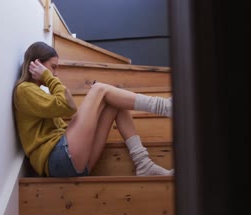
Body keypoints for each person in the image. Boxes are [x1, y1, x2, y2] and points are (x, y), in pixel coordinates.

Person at [13, 41, 174, 177]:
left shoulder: (37, 93)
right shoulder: (24, 90)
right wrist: (47, 77)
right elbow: (68, 107)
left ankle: (143, 163)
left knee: (115, 103)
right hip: (58, 159)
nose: (55, 74)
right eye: (52, 67)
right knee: (99, 89)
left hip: (74, 162)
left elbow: (67, 107)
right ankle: (165, 106)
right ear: (36, 64)